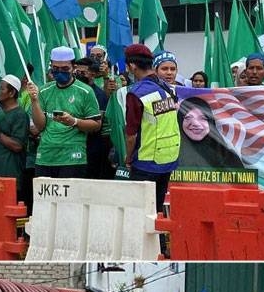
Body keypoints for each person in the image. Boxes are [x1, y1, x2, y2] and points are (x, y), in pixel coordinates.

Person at [124, 43, 181, 215]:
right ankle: (159, 242)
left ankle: (149, 242)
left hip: (146, 163)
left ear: (132, 66)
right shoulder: (167, 87)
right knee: (157, 211)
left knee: (140, 213)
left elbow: (131, 135)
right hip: (168, 159)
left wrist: (128, 158)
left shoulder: (137, 93)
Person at [28, 46, 102, 178]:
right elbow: (39, 126)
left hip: (72, 158)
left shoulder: (85, 91)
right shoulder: (44, 91)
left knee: (71, 199)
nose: (59, 72)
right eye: (55, 69)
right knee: (44, 199)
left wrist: (73, 121)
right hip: (45, 156)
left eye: (64, 69)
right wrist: (34, 101)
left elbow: (96, 124)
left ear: (74, 68)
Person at [0, 75, 30, 198]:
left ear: (12, 92)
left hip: (8, 174)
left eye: (2, 89)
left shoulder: (20, 115)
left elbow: (18, 146)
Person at [177, 97, 246, 170]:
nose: (195, 123)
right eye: (188, 118)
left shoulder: (226, 155)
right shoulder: (171, 154)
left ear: (211, 122)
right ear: (180, 120)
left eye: (203, 118)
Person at [73, 59, 113, 180]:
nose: (78, 74)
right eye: (76, 71)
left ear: (93, 74)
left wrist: (74, 121)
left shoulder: (99, 95)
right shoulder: (73, 90)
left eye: (82, 72)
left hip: (91, 149)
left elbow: (96, 126)